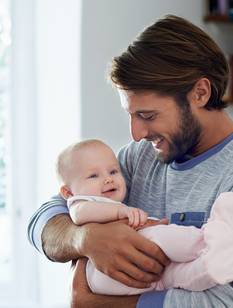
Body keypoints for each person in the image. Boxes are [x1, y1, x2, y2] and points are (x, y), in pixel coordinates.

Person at [28, 15, 233, 307]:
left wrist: (104, 304)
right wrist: (84, 238)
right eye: (131, 115)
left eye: (147, 116)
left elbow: (225, 301)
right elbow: (43, 219)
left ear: (200, 93)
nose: (136, 135)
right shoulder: (140, 158)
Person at [57, 138, 233, 295]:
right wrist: (120, 213)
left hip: (142, 276)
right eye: (93, 176)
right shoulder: (80, 203)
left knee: (175, 277)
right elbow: (79, 214)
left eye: (113, 172)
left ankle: (209, 267)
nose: (108, 179)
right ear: (68, 192)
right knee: (161, 236)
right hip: (105, 274)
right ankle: (207, 242)